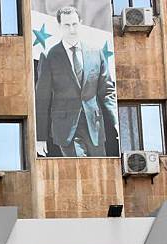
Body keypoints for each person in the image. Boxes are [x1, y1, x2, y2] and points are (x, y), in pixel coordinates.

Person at [35, 5, 118, 158]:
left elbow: (107, 91)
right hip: (66, 129)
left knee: (97, 172)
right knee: (79, 168)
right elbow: (42, 99)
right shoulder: (49, 56)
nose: (72, 29)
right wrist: (40, 137)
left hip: (95, 126)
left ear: (80, 22)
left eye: (74, 24)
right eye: (67, 25)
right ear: (59, 26)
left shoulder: (96, 53)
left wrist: (115, 121)